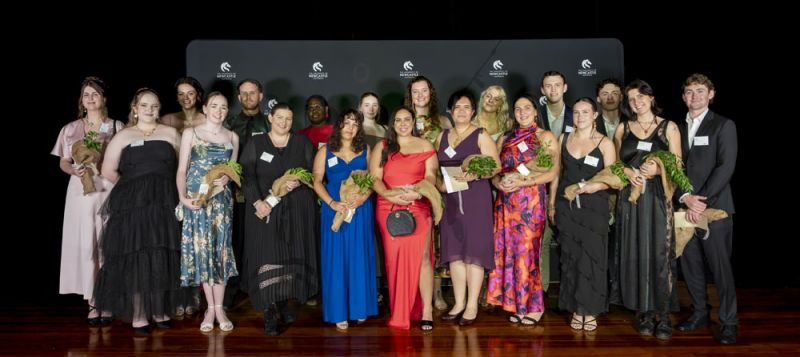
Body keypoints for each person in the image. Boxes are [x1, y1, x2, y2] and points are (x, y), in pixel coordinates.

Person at [93, 88, 182, 333]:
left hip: (164, 202)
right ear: (135, 108)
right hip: (133, 206)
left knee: (161, 253)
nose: (149, 109)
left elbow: (181, 168)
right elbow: (108, 170)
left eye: (154, 105)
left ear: (159, 108)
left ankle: (160, 310)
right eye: (144, 105)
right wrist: (133, 188)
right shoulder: (123, 135)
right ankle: (140, 312)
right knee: (136, 257)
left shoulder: (171, 133)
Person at [239, 103, 319, 336]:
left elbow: (313, 173)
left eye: (289, 118)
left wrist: (300, 180)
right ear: (270, 118)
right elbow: (246, 176)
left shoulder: (302, 143)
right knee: (267, 257)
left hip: (296, 210)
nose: (284, 122)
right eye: (280, 117)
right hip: (266, 210)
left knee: (288, 256)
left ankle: (283, 302)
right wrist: (257, 202)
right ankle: (269, 309)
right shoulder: (256, 143)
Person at [614, 79, 682, 340]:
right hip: (630, 198)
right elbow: (614, 163)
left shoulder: (669, 127)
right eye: (631, 99)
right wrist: (627, 171)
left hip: (657, 197)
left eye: (641, 97)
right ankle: (645, 312)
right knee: (637, 254)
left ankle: (663, 315)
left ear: (651, 98)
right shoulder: (623, 128)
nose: (637, 102)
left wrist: (658, 169)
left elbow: (678, 166)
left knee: (660, 254)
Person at [51, 76, 123, 325]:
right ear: (81, 100)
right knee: (86, 243)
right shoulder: (70, 128)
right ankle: (93, 301)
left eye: (95, 94)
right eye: (86, 94)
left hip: (107, 188)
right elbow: (63, 161)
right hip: (80, 190)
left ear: (104, 98)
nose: (90, 98)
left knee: (108, 244)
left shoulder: (116, 126)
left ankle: (109, 299)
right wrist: (73, 170)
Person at [674, 73, 738, 344]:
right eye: (689, 92)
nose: (695, 96)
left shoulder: (723, 125)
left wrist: (700, 201)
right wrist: (685, 197)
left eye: (700, 91)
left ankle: (729, 322)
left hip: (715, 209)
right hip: (684, 208)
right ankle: (700, 312)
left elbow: (726, 166)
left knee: (720, 268)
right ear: (683, 97)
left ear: (711, 94)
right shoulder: (676, 128)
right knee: (690, 265)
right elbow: (671, 167)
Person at [487, 94, 558, 325]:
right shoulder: (505, 138)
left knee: (528, 253)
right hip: (506, 204)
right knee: (509, 252)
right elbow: (494, 171)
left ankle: (534, 306)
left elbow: (551, 172)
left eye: (527, 107)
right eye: (518, 109)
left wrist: (523, 181)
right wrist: (499, 183)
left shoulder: (545, 137)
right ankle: (517, 304)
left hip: (530, 203)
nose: (522, 112)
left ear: (536, 111)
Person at [549, 98, 617, 331]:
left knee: (592, 258)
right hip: (566, 206)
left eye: (585, 112)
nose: (580, 116)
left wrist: (594, 186)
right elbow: (556, 173)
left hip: (594, 207)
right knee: (571, 257)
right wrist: (551, 203)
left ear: (595, 115)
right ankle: (576, 308)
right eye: (576, 112)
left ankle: (591, 310)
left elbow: (613, 178)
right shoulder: (563, 138)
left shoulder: (605, 143)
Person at [370, 106, 438, 331]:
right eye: (398, 120)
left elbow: (431, 175)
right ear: (393, 124)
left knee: (423, 257)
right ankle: (400, 310)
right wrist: (390, 195)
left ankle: (426, 310)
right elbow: (375, 178)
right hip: (388, 207)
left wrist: (418, 193)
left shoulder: (425, 145)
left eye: (406, 119)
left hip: (418, 204)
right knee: (394, 258)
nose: (402, 124)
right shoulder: (383, 146)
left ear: (413, 121)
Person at [435, 90, 500, 326]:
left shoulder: (481, 135)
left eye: (466, 107)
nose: (461, 111)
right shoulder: (441, 136)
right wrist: (439, 185)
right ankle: (459, 303)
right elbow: (433, 169)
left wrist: (474, 175)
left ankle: (472, 305)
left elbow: (496, 166)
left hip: (476, 199)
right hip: (451, 201)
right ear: (450, 111)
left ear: (473, 111)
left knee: (474, 253)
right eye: (457, 107)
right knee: (455, 253)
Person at [176, 92, 239, 332]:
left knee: (220, 252)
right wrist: (183, 198)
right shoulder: (191, 133)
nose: (218, 111)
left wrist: (228, 178)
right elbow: (182, 170)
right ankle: (209, 308)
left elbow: (233, 171)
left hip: (221, 203)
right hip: (197, 201)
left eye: (223, 107)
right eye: (214, 106)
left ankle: (220, 308)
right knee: (203, 252)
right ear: (205, 108)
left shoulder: (232, 137)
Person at [312, 109, 378, 330]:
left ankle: (360, 308)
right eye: (346, 123)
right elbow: (317, 180)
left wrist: (362, 198)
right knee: (336, 259)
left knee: (359, 256)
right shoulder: (325, 151)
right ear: (338, 125)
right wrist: (331, 203)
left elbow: (373, 180)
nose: (350, 128)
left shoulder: (365, 150)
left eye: (355, 124)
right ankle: (338, 311)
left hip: (360, 210)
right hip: (335, 210)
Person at [222, 78, 269, 310]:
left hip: (264, 192)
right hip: (234, 192)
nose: (248, 97)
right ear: (239, 97)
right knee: (234, 241)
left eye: (253, 92)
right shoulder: (229, 123)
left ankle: (263, 287)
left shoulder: (270, 122)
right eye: (244, 93)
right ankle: (232, 289)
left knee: (261, 241)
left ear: (261, 95)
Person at [404, 75, 450, 310]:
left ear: (430, 93)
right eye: (415, 91)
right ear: (410, 95)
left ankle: (437, 293)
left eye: (424, 91)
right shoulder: (404, 120)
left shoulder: (443, 121)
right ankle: (413, 293)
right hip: (408, 187)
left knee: (436, 243)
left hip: (436, 186)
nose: (420, 95)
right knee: (413, 241)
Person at [538, 70, 574, 294]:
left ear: (565, 88)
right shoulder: (535, 116)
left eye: (557, 85)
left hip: (571, 187)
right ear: (542, 90)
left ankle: (569, 293)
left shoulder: (577, 115)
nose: (553, 90)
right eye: (548, 86)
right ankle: (541, 292)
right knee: (541, 241)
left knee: (570, 243)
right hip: (541, 187)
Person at [595, 78, 626, 306]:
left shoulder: (632, 122)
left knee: (624, 244)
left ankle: (622, 294)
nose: (610, 97)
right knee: (601, 245)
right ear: (598, 98)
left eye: (615, 92)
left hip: (627, 191)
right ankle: (603, 293)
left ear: (621, 96)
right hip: (600, 192)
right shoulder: (590, 124)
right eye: (605, 93)